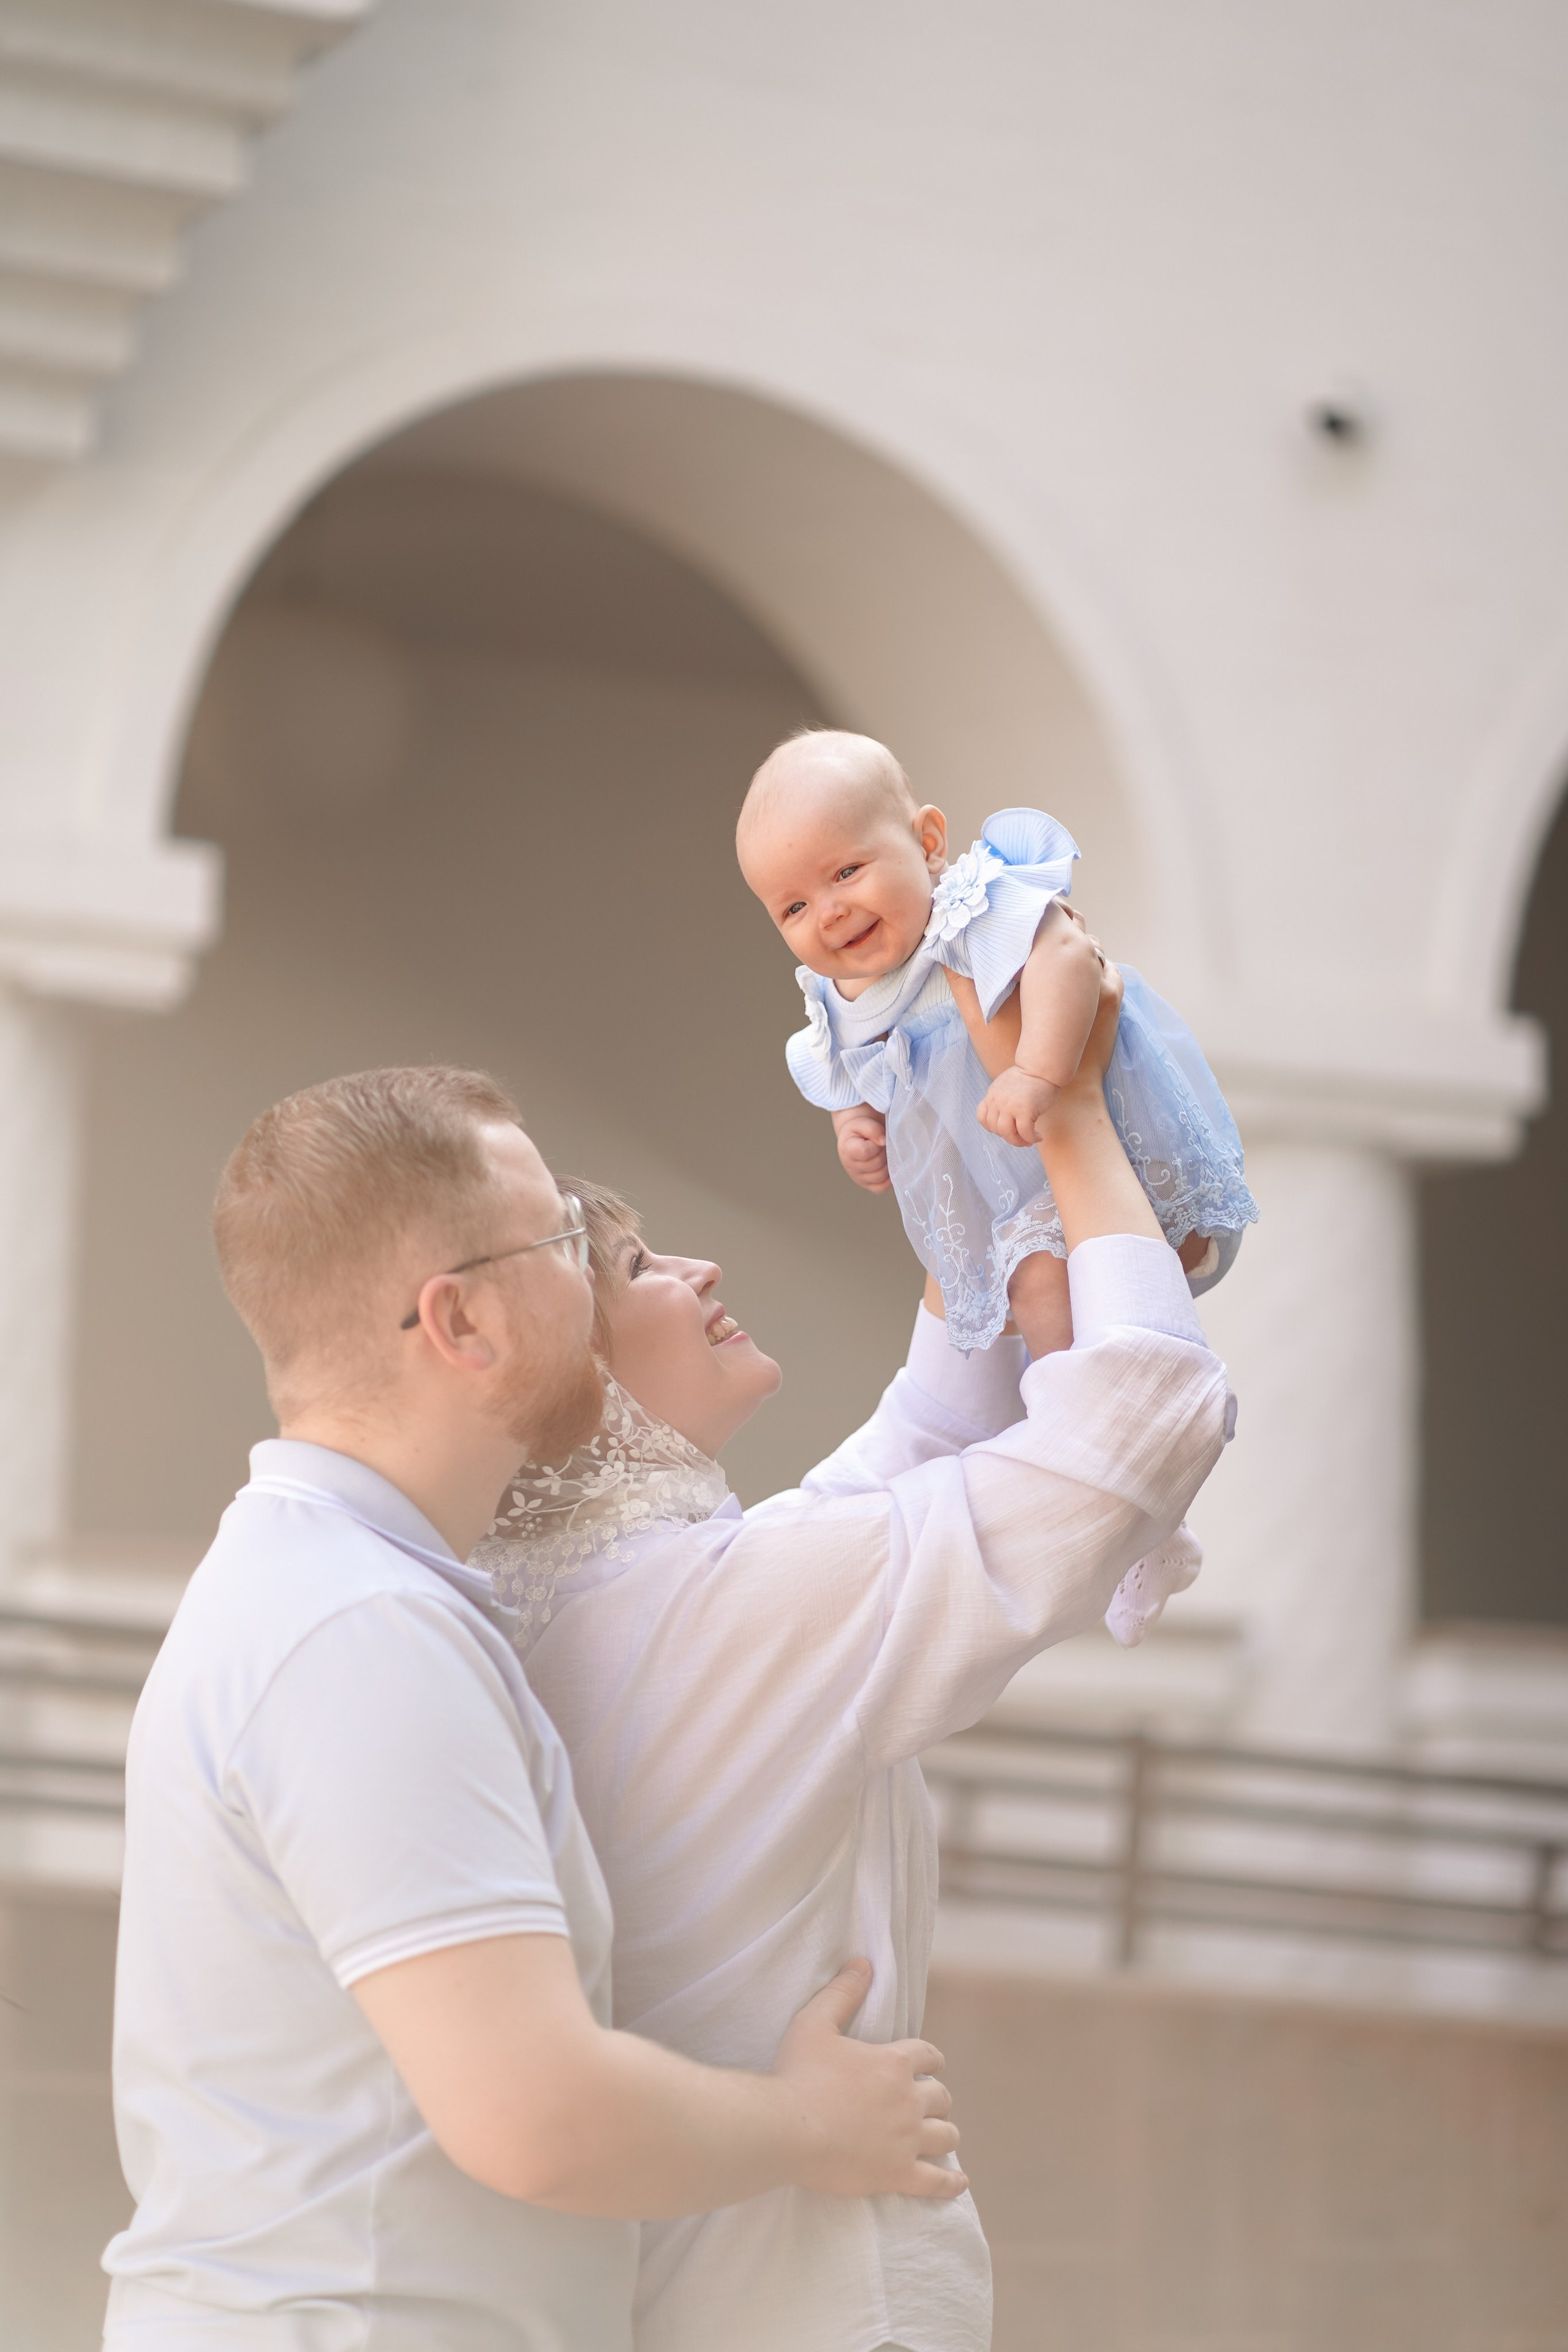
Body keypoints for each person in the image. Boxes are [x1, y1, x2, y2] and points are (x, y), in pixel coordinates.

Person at [102, 1066, 964, 2351]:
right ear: (461, 1322)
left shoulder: (363, 1592)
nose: (607, 1269)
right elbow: (536, 2120)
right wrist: (816, 2126)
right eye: (566, 1243)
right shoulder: (358, 1632)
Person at [480, 968, 1235, 2352]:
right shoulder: (719, 1607)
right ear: (566, 1373)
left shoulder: (603, 1590)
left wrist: (950, 1099)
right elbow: (1140, 1415)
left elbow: (931, 1433)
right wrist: (1065, 1116)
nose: (696, 1267)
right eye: (636, 1268)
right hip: (805, 2305)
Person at [735, 729, 1257, 1366]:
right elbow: (847, 1067)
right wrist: (855, 1128)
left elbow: (1069, 958)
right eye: (793, 907)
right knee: (1036, 1294)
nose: (829, 912)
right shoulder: (842, 994)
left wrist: (1037, 1070)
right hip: (1004, 1192)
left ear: (928, 843)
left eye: (845, 872)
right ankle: (1075, 1402)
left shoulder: (971, 906)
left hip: (1103, 1136)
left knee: (1105, 1266)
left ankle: (1133, 1379)